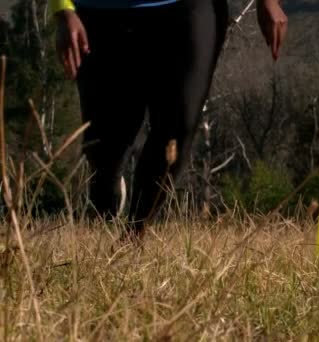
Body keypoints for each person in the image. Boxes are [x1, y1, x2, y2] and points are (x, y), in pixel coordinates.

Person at [51, 0, 287, 234]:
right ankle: (106, 208)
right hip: (102, 14)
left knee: (179, 125)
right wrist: (63, 10)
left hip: (191, 9)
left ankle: (135, 234)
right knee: (105, 147)